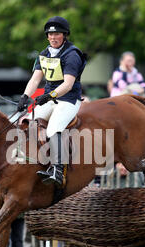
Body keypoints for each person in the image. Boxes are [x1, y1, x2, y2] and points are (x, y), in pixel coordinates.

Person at [16, 16, 87, 186]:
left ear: (65, 35)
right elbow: (35, 80)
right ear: (47, 36)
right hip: (50, 98)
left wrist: (49, 96)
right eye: (50, 34)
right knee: (26, 122)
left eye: (57, 34)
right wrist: (25, 97)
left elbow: (68, 84)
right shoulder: (44, 54)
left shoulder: (72, 55)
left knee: (53, 129)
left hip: (68, 99)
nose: (53, 38)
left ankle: (57, 169)